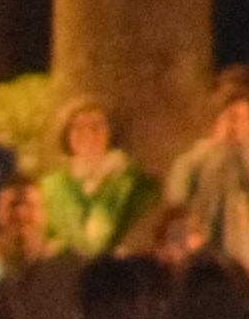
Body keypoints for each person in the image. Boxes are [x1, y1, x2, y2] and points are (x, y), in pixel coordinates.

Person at [161, 72, 249, 278]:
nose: (238, 127)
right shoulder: (191, 165)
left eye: (245, 119)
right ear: (216, 122)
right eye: (232, 118)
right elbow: (176, 214)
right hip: (206, 268)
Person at [26, 99, 156, 264]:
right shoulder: (51, 186)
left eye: (96, 127)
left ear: (110, 132)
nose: (88, 134)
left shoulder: (131, 181)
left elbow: (142, 231)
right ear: (67, 135)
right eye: (78, 128)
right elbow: (42, 237)